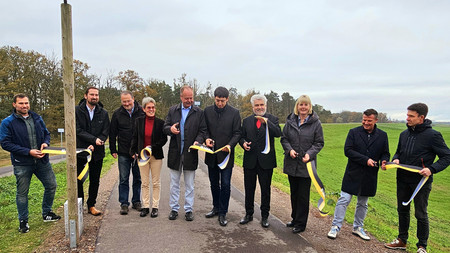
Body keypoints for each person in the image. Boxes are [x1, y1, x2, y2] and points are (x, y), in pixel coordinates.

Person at [385, 103, 450, 253]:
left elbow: (447, 156)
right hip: (402, 179)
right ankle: (401, 240)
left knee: (420, 213)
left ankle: (422, 246)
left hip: (421, 182)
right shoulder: (404, 134)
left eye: (411, 116)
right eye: (407, 115)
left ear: (421, 117)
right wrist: (396, 160)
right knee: (402, 209)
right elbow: (398, 153)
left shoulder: (433, 135)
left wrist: (432, 169)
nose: (407, 118)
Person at [0, 94, 61, 233]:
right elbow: (5, 143)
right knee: (22, 193)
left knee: (51, 185)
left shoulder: (37, 118)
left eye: (26, 103)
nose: (24, 106)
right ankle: (23, 221)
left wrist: (46, 143)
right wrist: (28, 152)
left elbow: (47, 134)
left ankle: (47, 213)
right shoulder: (7, 122)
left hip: (42, 161)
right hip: (22, 163)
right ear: (14, 105)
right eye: (21, 103)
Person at [327, 109, 390, 240]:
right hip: (353, 172)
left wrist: (384, 161)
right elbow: (348, 151)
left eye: (369, 121)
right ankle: (335, 226)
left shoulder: (383, 135)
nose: (366, 123)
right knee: (344, 199)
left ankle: (358, 228)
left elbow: (385, 152)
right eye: (364, 120)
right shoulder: (354, 132)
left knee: (363, 203)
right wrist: (365, 160)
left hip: (370, 175)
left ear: (376, 120)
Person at [281, 95, 324, 233]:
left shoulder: (316, 123)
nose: (303, 107)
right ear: (297, 106)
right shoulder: (290, 121)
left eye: (306, 105)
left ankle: (301, 223)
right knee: (294, 193)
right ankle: (294, 219)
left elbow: (319, 143)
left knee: (303, 196)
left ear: (309, 106)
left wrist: (309, 154)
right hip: (292, 163)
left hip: (306, 166)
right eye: (301, 105)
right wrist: (289, 150)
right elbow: (284, 139)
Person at [163, 85, 207, 221]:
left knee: (190, 185)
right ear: (181, 97)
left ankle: (189, 210)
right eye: (186, 98)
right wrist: (171, 129)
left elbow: (203, 131)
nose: (189, 100)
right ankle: (174, 209)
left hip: (190, 153)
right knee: (174, 184)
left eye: (191, 98)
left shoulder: (199, 112)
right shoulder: (172, 110)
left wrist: (198, 141)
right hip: (175, 152)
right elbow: (165, 127)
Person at [239, 94, 282, 228]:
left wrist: (267, 122)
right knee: (249, 189)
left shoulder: (273, 119)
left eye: (261, 105)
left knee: (265, 190)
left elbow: (278, 133)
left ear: (265, 106)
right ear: (252, 107)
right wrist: (243, 143)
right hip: (250, 160)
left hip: (266, 162)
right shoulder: (246, 121)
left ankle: (264, 216)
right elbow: (241, 137)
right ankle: (248, 214)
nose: (259, 107)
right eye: (256, 105)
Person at [204, 87, 241, 226]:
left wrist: (230, 145)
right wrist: (207, 139)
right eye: (218, 100)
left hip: (226, 155)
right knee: (214, 183)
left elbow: (237, 133)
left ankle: (223, 212)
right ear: (214, 98)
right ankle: (216, 207)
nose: (220, 103)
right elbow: (205, 129)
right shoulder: (207, 111)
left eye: (222, 101)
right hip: (212, 154)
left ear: (227, 99)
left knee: (225, 184)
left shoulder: (234, 113)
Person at [130, 97, 167, 217]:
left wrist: (152, 147)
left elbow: (164, 139)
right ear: (144, 109)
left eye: (153, 107)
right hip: (142, 156)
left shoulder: (161, 123)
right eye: (148, 108)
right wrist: (133, 151)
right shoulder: (139, 121)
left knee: (156, 182)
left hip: (155, 156)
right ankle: (145, 206)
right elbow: (135, 137)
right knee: (144, 183)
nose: (151, 109)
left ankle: (155, 206)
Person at [76, 86, 110, 216]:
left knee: (95, 180)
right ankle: (79, 206)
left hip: (97, 152)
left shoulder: (103, 113)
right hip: (81, 151)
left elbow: (105, 131)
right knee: (79, 179)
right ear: (86, 96)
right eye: (92, 95)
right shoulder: (76, 111)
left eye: (96, 95)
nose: (94, 97)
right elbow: (77, 130)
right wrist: (92, 141)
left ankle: (91, 205)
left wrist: (98, 141)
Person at [109, 91, 145, 215]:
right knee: (124, 178)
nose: (126, 103)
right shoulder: (117, 114)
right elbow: (112, 133)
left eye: (128, 101)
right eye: (124, 101)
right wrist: (113, 149)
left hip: (138, 152)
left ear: (133, 99)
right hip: (123, 152)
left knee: (138, 178)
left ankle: (136, 201)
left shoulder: (141, 112)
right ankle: (124, 203)